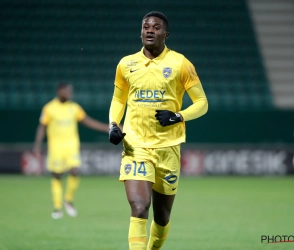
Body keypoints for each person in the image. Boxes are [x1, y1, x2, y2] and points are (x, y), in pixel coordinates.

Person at [108, 11, 208, 250]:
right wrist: (113, 124)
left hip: (168, 149)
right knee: (140, 207)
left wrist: (177, 116)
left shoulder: (180, 64)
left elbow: (202, 102)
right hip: (136, 146)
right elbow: (118, 100)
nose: (150, 30)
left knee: (162, 218)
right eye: (146, 27)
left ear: (166, 34)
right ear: (141, 32)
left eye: (155, 27)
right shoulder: (126, 64)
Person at [33, 82, 109, 219]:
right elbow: (42, 127)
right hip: (55, 147)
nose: (69, 93)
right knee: (57, 175)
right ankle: (57, 207)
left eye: (70, 91)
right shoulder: (49, 108)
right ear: (59, 91)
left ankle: (68, 200)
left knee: (74, 171)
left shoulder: (74, 108)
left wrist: (107, 128)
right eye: (67, 91)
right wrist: (37, 146)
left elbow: (88, 121)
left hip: (71, 146)